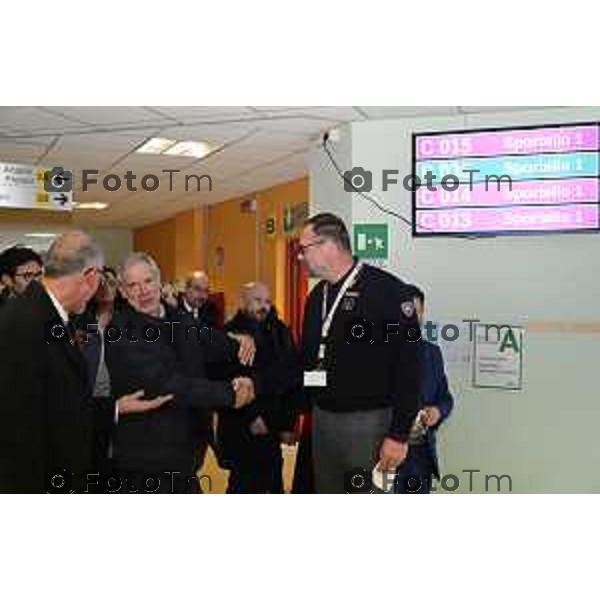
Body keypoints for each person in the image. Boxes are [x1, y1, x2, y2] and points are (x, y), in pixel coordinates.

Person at [0, 232, 169, 493]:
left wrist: (115, 407)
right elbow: (20, 433)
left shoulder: (41, 312)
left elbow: (59, 405)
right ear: (91, 277)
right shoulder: (26, 325)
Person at [105, 252, 256, 493]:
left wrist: (241, 342)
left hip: (186, 454)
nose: (143, 291)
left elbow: (209, 340)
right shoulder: (121, 331)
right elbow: (165, 384)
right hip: (146, 460)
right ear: (123, 291)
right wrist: (229, 393)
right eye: (132, 285)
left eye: (148, 281)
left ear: (159, 281)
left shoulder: (176, 316)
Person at [299, 213, 421, 494]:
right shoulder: (317, 297)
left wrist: (399, 434)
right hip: (323, 419)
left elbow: (410, 369)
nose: (301, 257)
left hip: (370, 425)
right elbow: (308, 359)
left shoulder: (388, 292)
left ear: (328, 245)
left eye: (305, 249)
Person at [217, 282, 302, 493]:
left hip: (272, 426)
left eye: (267, 301)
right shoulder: (228, 334)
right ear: (244, 302)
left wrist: (286, 423)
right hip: (241, 427)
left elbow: (292, 377)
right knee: (242, 486)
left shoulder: (281, 332)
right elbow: (227, 380)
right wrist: (254, 417)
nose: (263, 306)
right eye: (257, 300)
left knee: (273, 484)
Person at [395, 285, 454, 494]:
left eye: (417, 311)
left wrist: (438, 411)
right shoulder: (379, 353)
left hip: (420, 455)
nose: (412, 316)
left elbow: (446, 398)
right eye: (407, 311)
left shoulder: (433, 353)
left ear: (422, 314)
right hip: (388, 451)